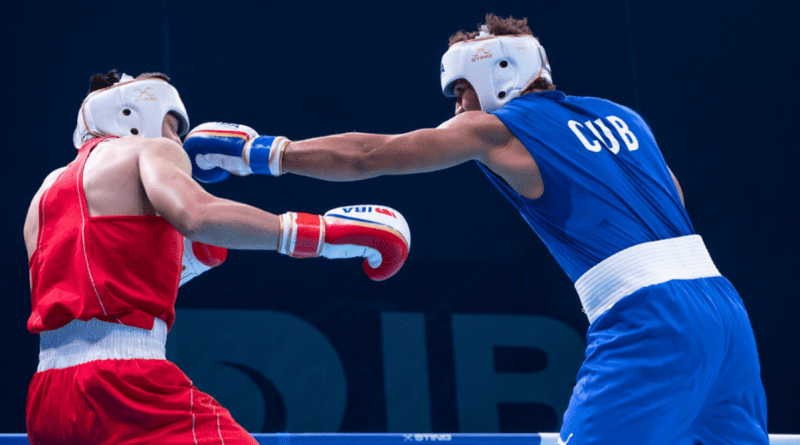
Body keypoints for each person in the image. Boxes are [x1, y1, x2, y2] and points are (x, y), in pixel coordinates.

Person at [183, 13, 770, 444]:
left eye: (462, 92)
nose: (459, 109)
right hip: (725, 312)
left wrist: (262, 153)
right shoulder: (625, 116)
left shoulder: (499, 128)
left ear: (500, 78)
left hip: (649, 317)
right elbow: (674, 200)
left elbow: (371, 154)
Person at [23, 70, 410, 445]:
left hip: (48, 397)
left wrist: (186, 261)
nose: (177, 140)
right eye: (173, 126)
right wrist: (322, 234)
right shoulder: (145, 149)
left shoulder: (42, 196)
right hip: (124, 383)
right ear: (132, 118)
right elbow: (197, 216)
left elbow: (90, 285)